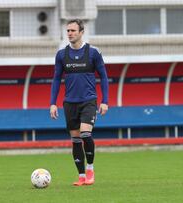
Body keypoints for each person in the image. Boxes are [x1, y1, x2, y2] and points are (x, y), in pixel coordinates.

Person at [50, 19, 109, 186]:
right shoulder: (61, 54)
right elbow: (56, 79)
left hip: (88, 101)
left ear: (81, 32)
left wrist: (105, 101)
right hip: (69, 103)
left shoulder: (93, 52)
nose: (70, 33)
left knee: (85, 134)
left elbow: (104, 77)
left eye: (73, 30)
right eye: (68, 30)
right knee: (75, 139)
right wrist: (52, 103)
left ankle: (90, 168)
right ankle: (81, 175)